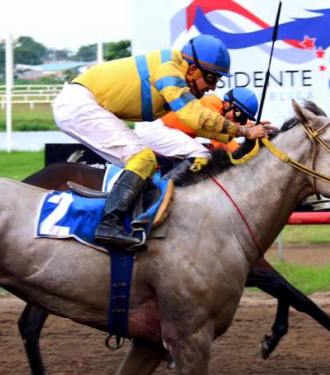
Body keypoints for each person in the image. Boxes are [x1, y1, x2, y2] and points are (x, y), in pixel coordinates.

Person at [53, 34, 270, 248]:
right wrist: (244, 131)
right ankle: (109, 225)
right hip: (79, 104)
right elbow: (194, 117)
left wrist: (244, 131)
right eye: (211, 78)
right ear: (193, 69)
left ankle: (131, 218)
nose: (212, 88)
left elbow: (199, 126)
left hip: (83, 104)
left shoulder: (175, 68)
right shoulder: (168, 69)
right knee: (143, 158)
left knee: (146, 165)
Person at [134, 86, 263, 184]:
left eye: (243, 119)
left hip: (161, 131)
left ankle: (164, 188)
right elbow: (225, 142)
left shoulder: (219, 111)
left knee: (194, 154)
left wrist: (253, 127)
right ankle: (165, 190)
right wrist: (249, 154)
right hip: (155, 129)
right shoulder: (212, 105)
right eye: (239, 115)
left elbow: (230, 129)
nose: (238, 121)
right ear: (228, 104)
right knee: (202, 154)